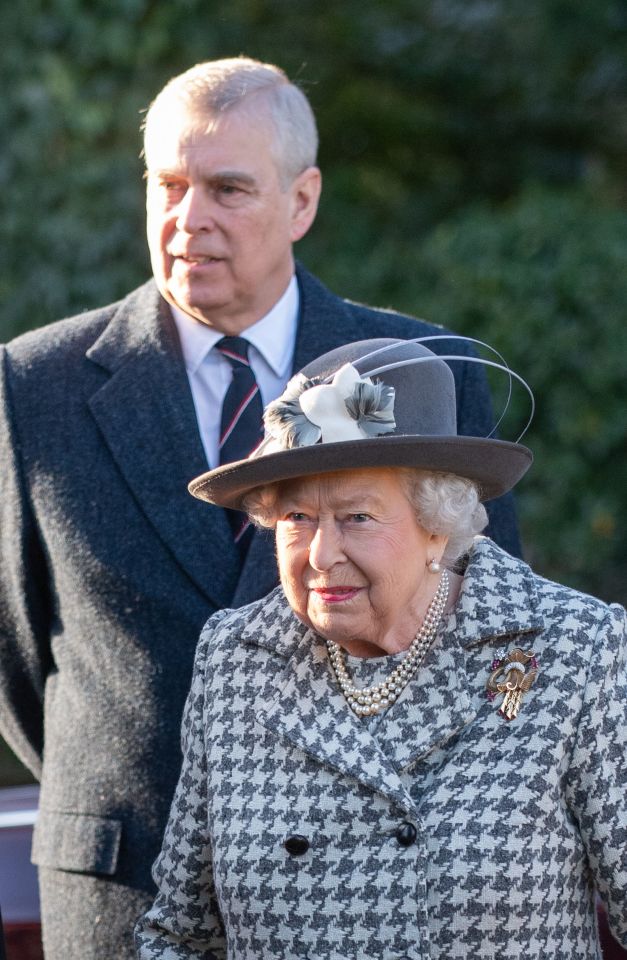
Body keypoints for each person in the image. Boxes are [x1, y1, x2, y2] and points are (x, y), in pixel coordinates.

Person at [0, 58, 520, 959]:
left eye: (227, 189)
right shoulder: (31, 386)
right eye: (167, 185)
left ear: (303, 202)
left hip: (370, 890)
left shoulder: (424, 371)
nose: (186, 219)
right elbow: (14, 658)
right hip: (125, 886)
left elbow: (487, 639)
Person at [136, 338, 627, 959]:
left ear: (436, 523)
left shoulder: (571, 650)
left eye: (357, 517)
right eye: (297, 518)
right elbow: (178, 935)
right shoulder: (237, 660)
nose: (320, 555)